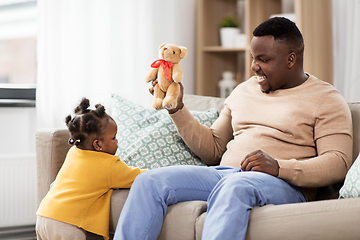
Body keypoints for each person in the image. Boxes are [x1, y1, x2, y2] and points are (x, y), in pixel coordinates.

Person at [113, 17, 353, 240]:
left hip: (284, 186)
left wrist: (279, 167)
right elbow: (215, 147)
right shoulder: (244, 90)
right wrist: (177, 108)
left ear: (291, 59)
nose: (254, 67)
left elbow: (338, 163)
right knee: (149, 181)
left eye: (264, 59)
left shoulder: (326, 98)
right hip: (225, 173)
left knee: (235, 185)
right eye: (253, 57)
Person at [36, 98, 146, 240]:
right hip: (67, 224)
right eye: (113, 138)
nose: (117, 141)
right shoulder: (110, 165)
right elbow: (139, 177)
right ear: (97, 145)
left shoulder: (74, 153)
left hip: (44, 215)